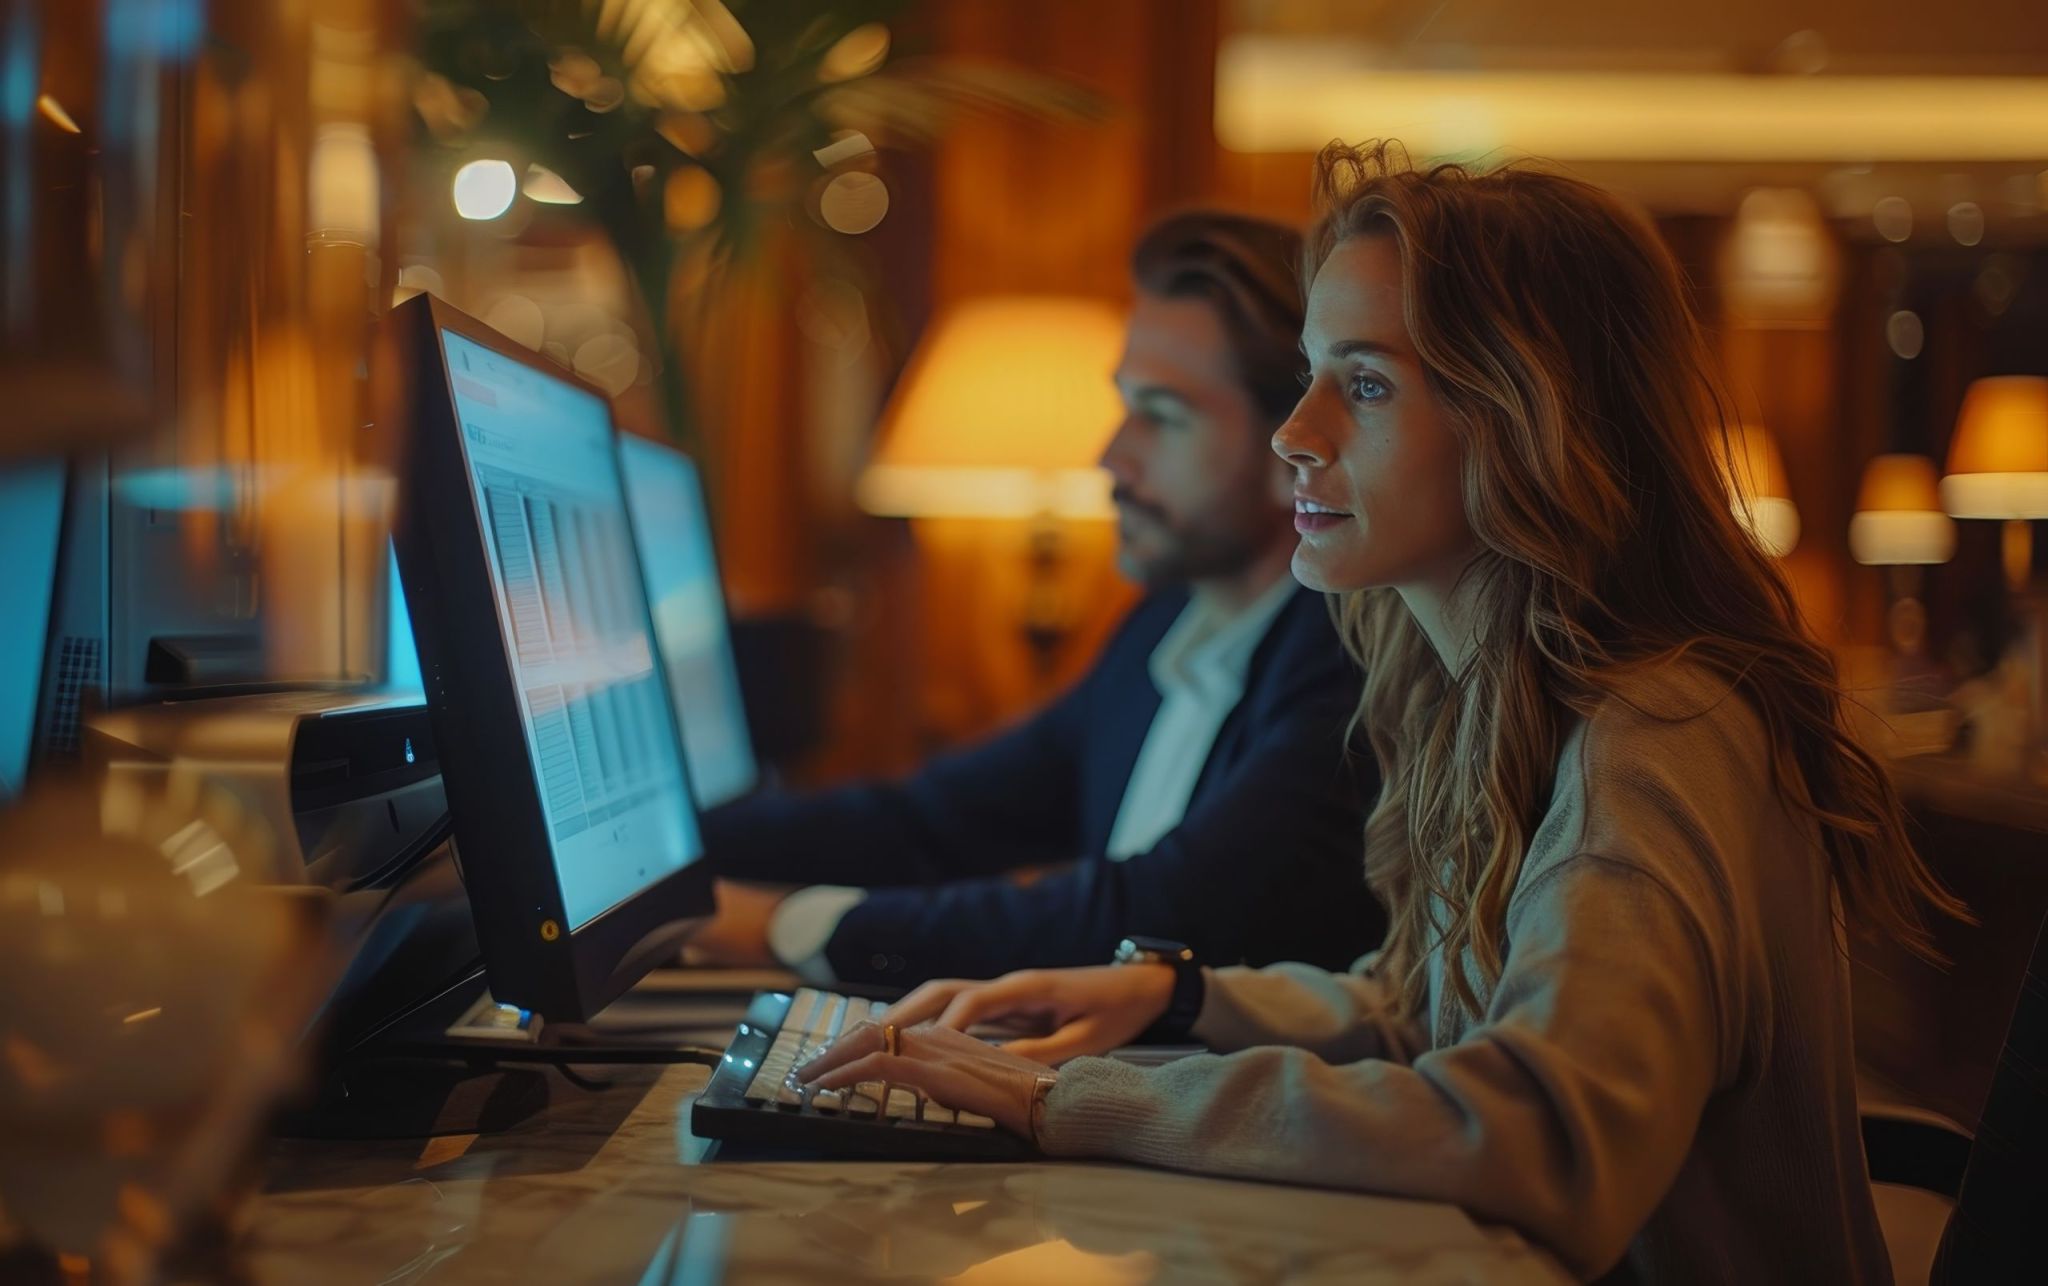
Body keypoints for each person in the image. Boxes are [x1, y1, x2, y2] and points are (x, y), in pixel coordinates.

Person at [798, 143, 1967, 1283]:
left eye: (1361, 383)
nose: (1292, 434)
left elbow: (1538, 1126)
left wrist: (1058, 1094)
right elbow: (1435, 1014)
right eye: (1310, 374)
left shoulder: (1656, 732)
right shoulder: (1488, 693)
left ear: (1528, 416)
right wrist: (1176, 994)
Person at [687, 211, 1386, 989]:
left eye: (1161, 415)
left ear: (1289, 440)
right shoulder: (1164, 626)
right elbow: (930, 820)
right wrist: (662, 846)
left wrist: (786, 927)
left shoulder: (1349, 658)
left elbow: (1156, 914)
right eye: (1124, 406)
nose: (1111, 457)